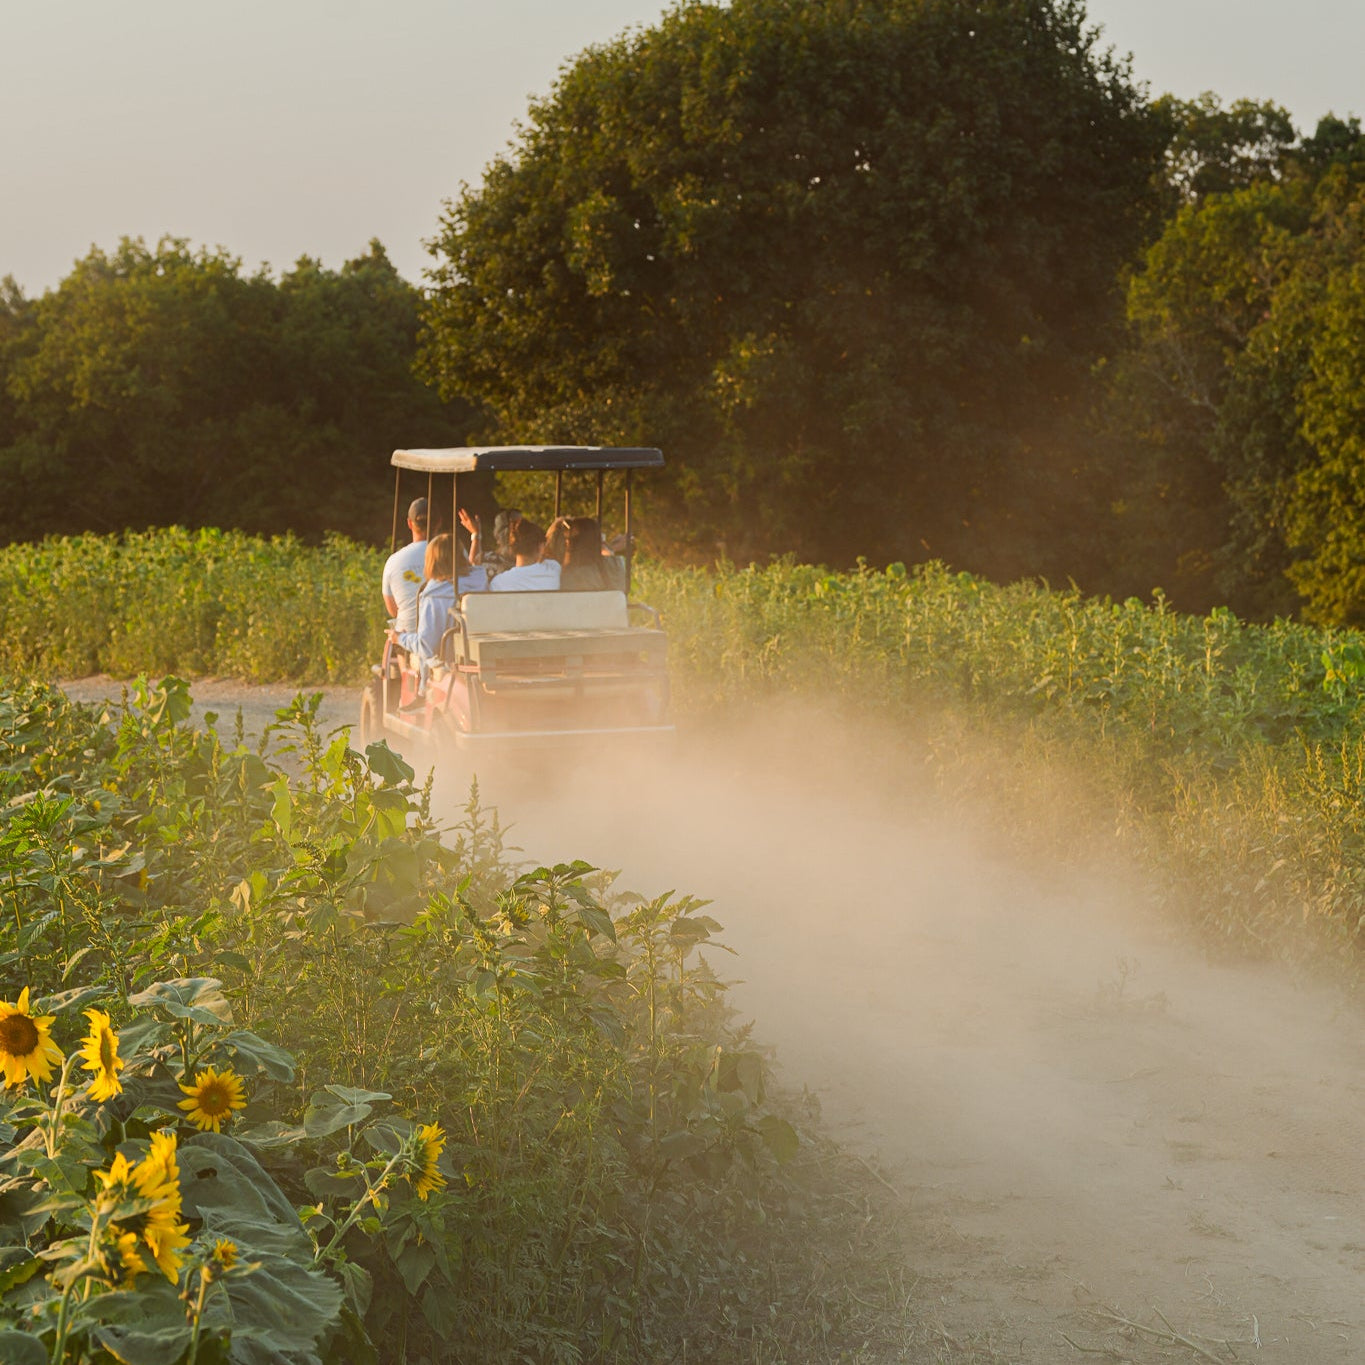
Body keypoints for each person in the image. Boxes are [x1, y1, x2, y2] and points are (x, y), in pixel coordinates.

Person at [381, 497, 428, 633]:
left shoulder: (392, 561)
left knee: (392, 644)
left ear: (409, 523)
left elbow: (393, 611)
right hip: (446, 637)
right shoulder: (454, 554)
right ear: (438, 522)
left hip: (409, 637)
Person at [488, 519, 561, 591]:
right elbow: (548, 552)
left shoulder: (498, 583)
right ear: (541, 547)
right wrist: (554, 527)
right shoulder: (553, 569)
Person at [560, 517, 627, 592]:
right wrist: (610, 548)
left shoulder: (572, 573)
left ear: (571, 543)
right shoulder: (617, 563)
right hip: (611, 603)